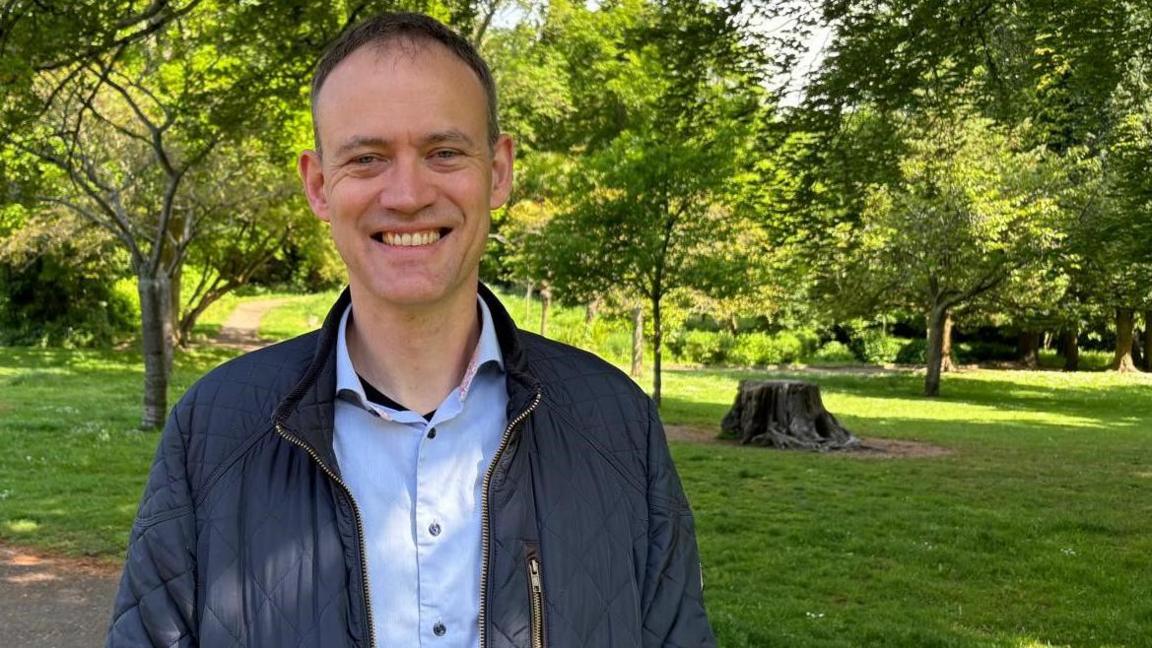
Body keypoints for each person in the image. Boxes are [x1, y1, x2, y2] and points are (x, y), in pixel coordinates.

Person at [106, 12, 713, 648]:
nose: (406, 194)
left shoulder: (617, 424)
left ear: (498, 170)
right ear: (318, 186)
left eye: (443, 152)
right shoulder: (212, 430)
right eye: (367, 158)